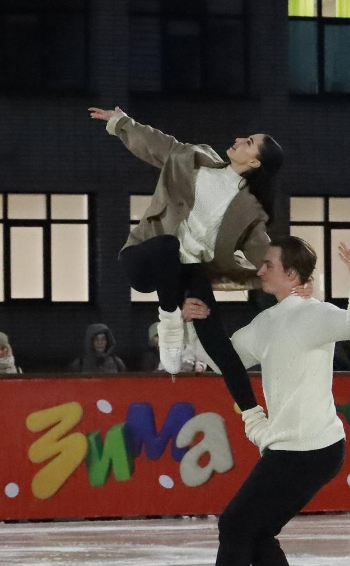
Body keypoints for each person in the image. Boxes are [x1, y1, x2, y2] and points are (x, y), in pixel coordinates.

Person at [170, 237, 350, 566]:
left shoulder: (314, 315)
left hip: (311, 449)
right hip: (291, 450)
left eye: (269, 264)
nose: (260, 270)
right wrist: (193, 321)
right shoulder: (267, 322)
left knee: (235, 522)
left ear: (293, 274)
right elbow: (222, 359)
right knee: (254, 533)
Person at [88, 107, 305, 416]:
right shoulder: (193, 158)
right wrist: (120, 122)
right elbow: (154, 143)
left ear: (255, 162)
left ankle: (254, 416)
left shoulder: (250, 212)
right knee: (167, 245)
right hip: (144, 257)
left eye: (248, 142)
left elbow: (265, 256)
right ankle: (171, 323)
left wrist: (297, 283)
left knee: (218, 341)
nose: (239, 140)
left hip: (187, 273)